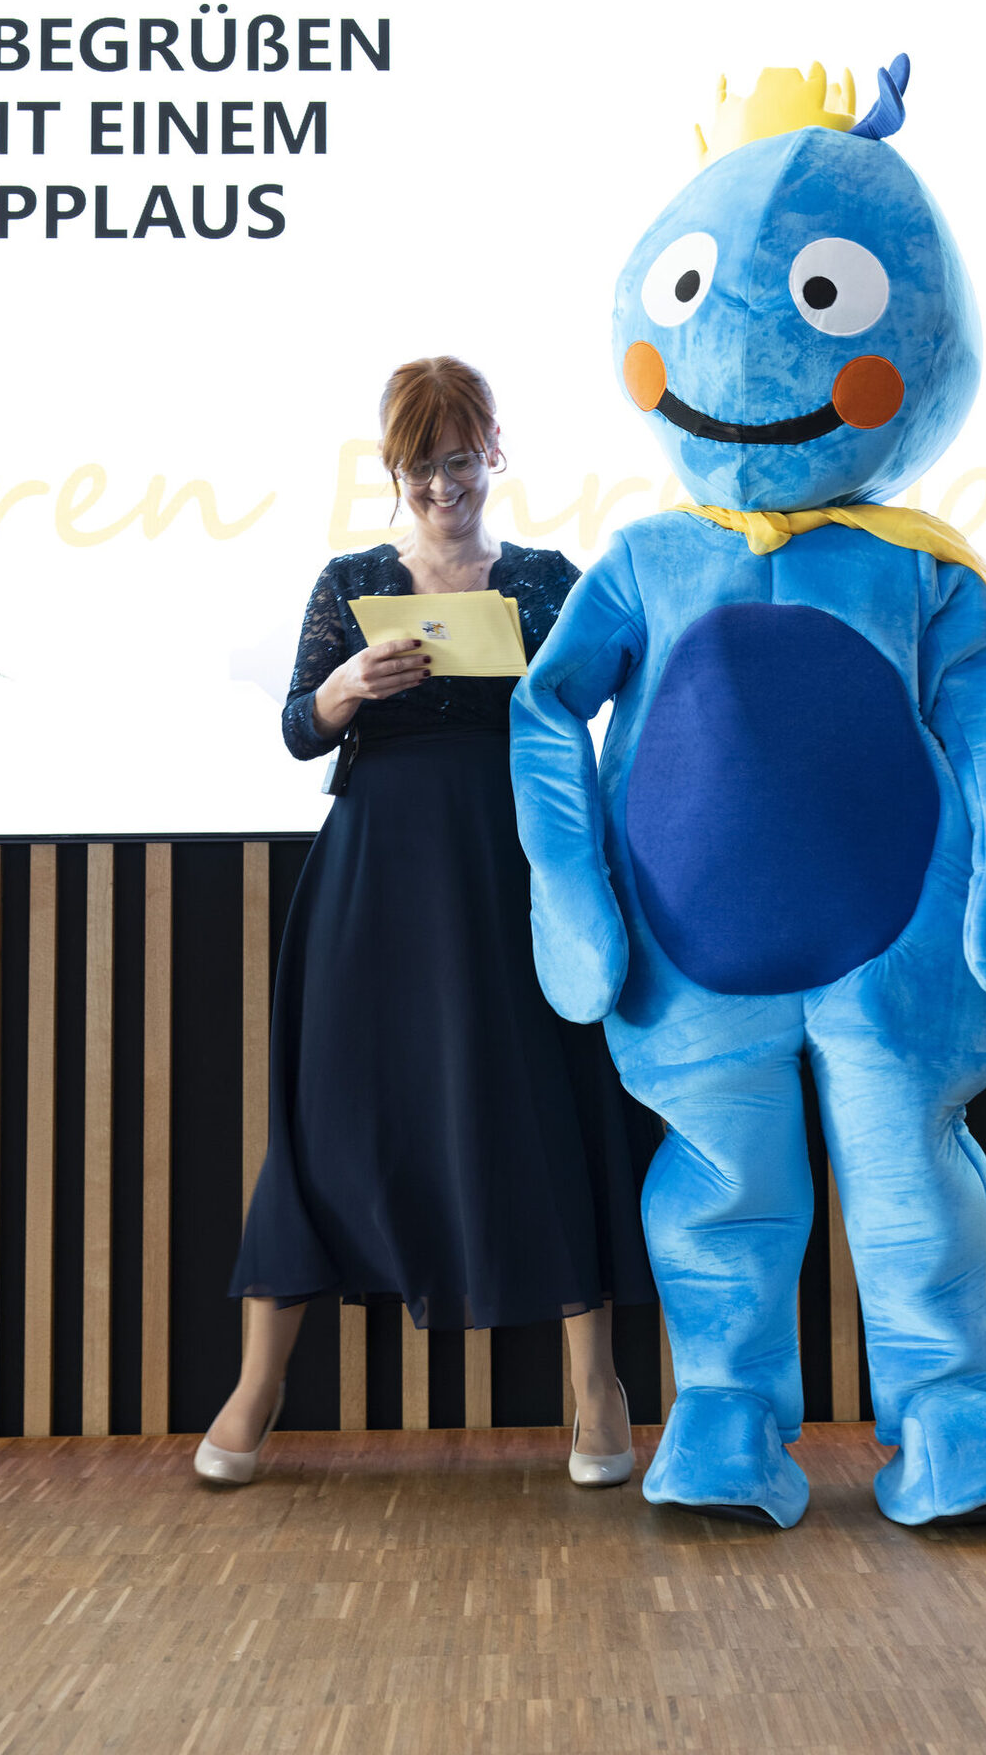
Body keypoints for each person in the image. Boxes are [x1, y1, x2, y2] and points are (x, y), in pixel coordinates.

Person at [195, 356, 659, 1488]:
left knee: (544, 1098)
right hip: (376, 879)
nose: (442, 488)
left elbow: (619, 696)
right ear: (391, 469)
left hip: (514, 866)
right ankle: (256, 1390)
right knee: (330, 1116)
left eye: (458, 462)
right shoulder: (351, 579)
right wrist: (350, 686)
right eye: (418, 470)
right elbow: (300, 729)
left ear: (493, 450)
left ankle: (596, 1390)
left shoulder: (549, 579)